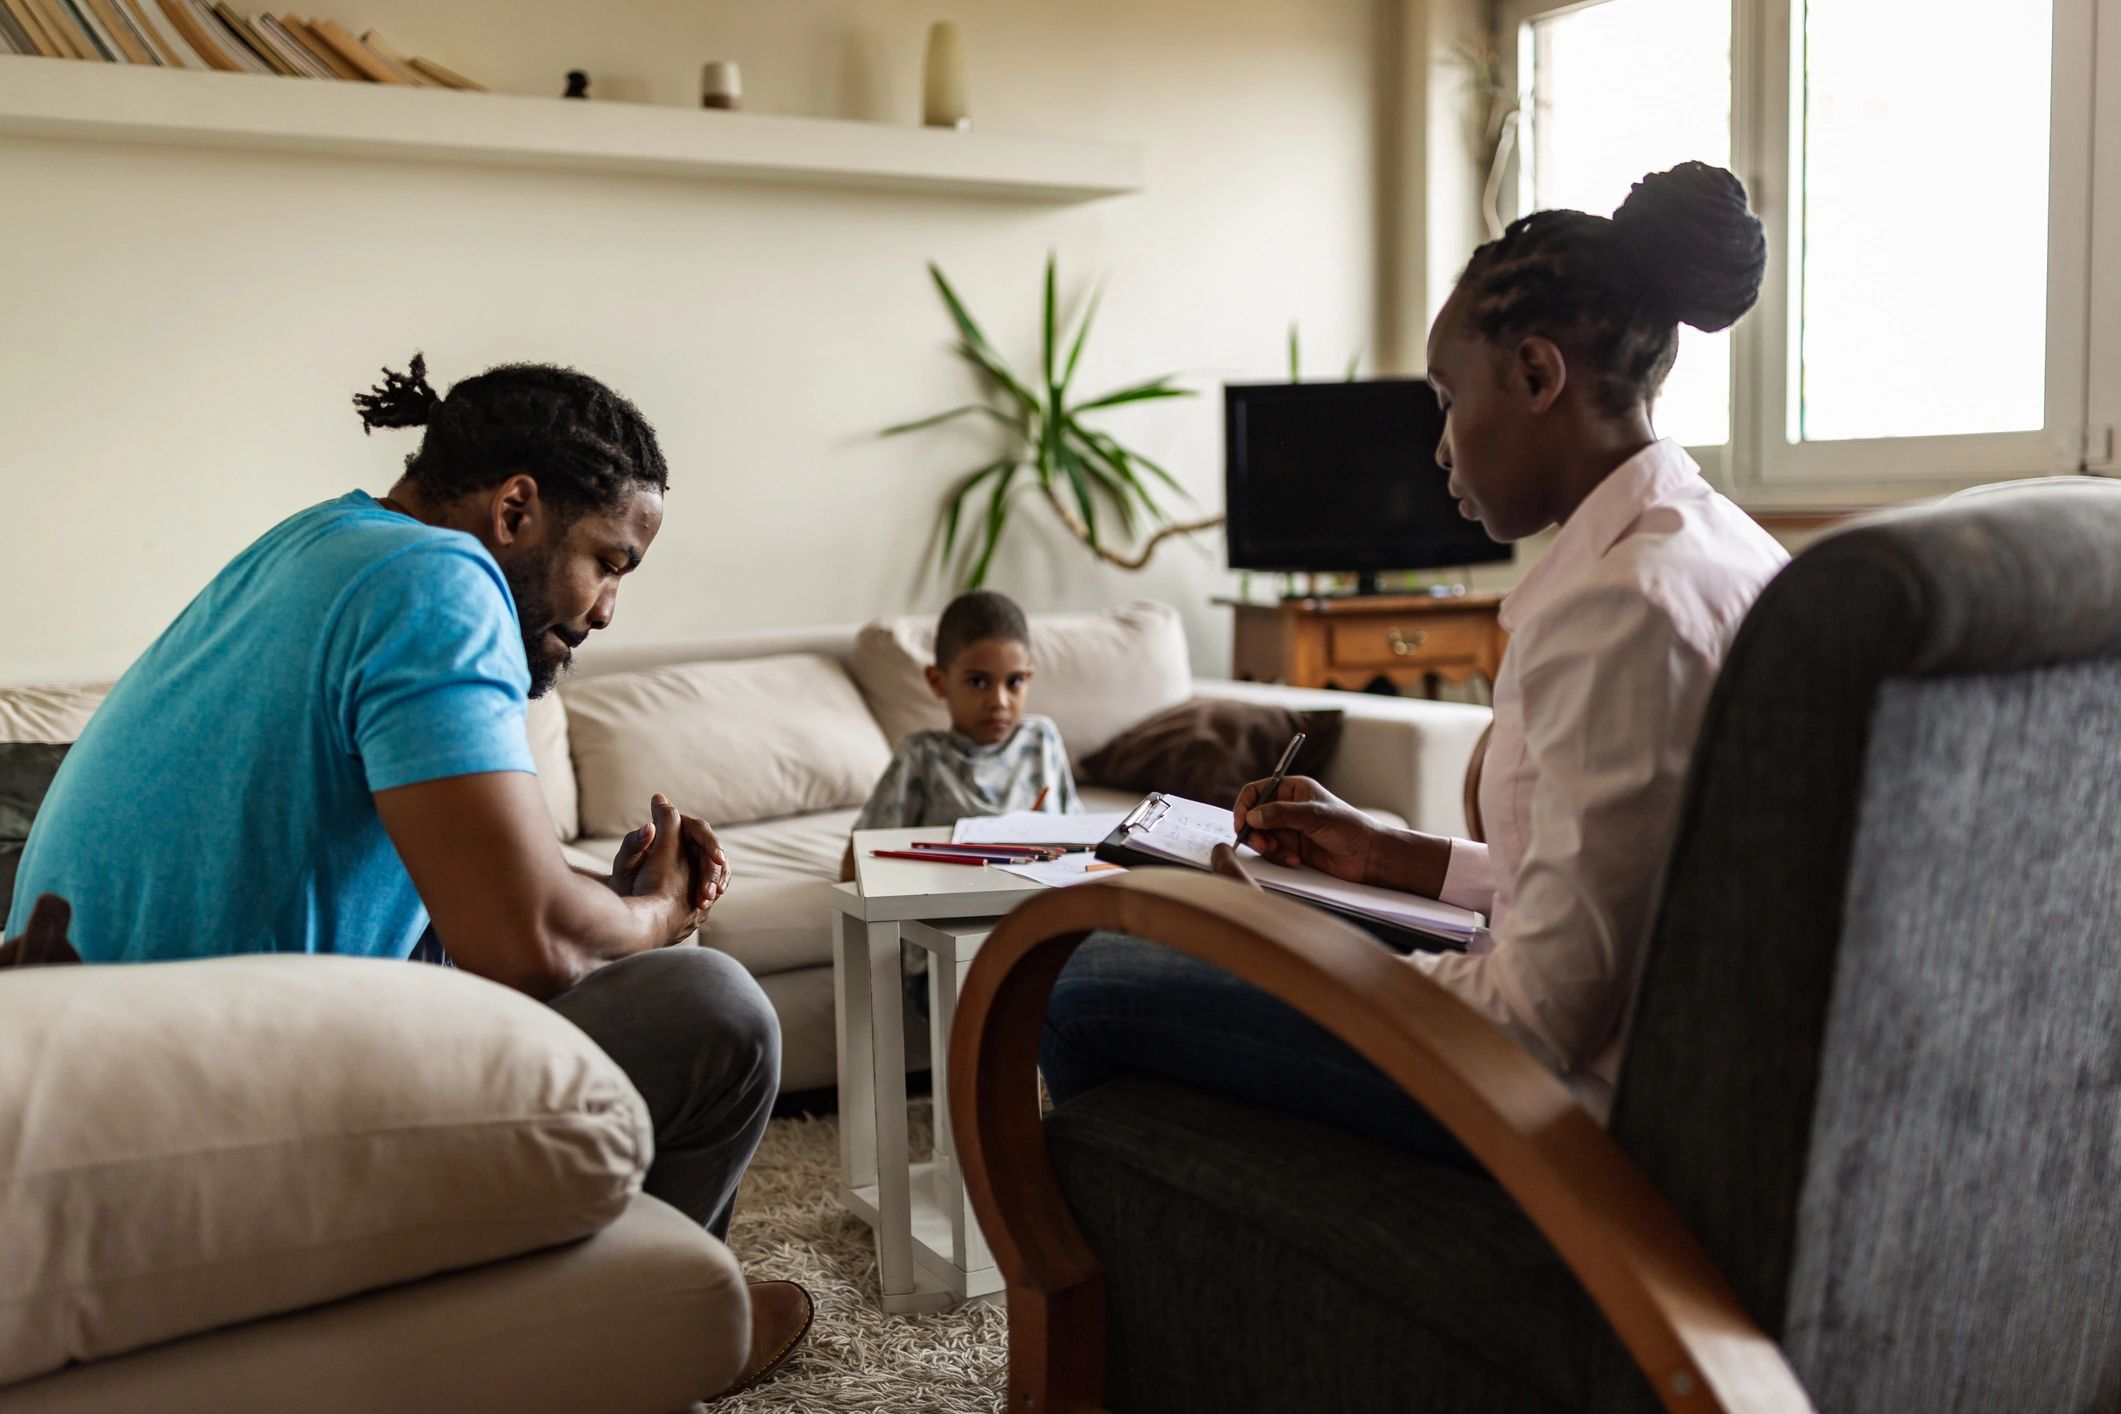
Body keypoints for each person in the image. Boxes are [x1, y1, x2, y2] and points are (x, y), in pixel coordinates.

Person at [6, 353, 811, 1395]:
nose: (608, 608)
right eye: (610, 562)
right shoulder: (442, 579)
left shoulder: (321, 545)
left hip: (89, 1083)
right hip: (205, 1123)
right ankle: (644, 1340)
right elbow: (525, 944)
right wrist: (654, 913)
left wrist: (598, 899)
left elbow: (455, 882)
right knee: (716, 1011)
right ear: (517, 506)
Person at [1041, 162, 1790, 1153]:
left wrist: (1292, 948)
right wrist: (1388, 857)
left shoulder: (1620, 612)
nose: (1440, 448)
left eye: (1446, 398)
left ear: (1535, 374)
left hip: (1567, 1113)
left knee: (1083, 980)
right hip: (1633, 1048)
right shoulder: (1714, 544)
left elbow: (1527, 1019)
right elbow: (1618, 884)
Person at [840, 589, 1080, 879]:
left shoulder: (1042, 739)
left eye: (1014, 681)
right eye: (978, 681)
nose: (999, 701)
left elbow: (1077, 837)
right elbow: (856, 864)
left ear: (1029, 677)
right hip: (950, 909)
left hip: (1038, 905)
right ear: (938, 682)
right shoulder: (922, 754)